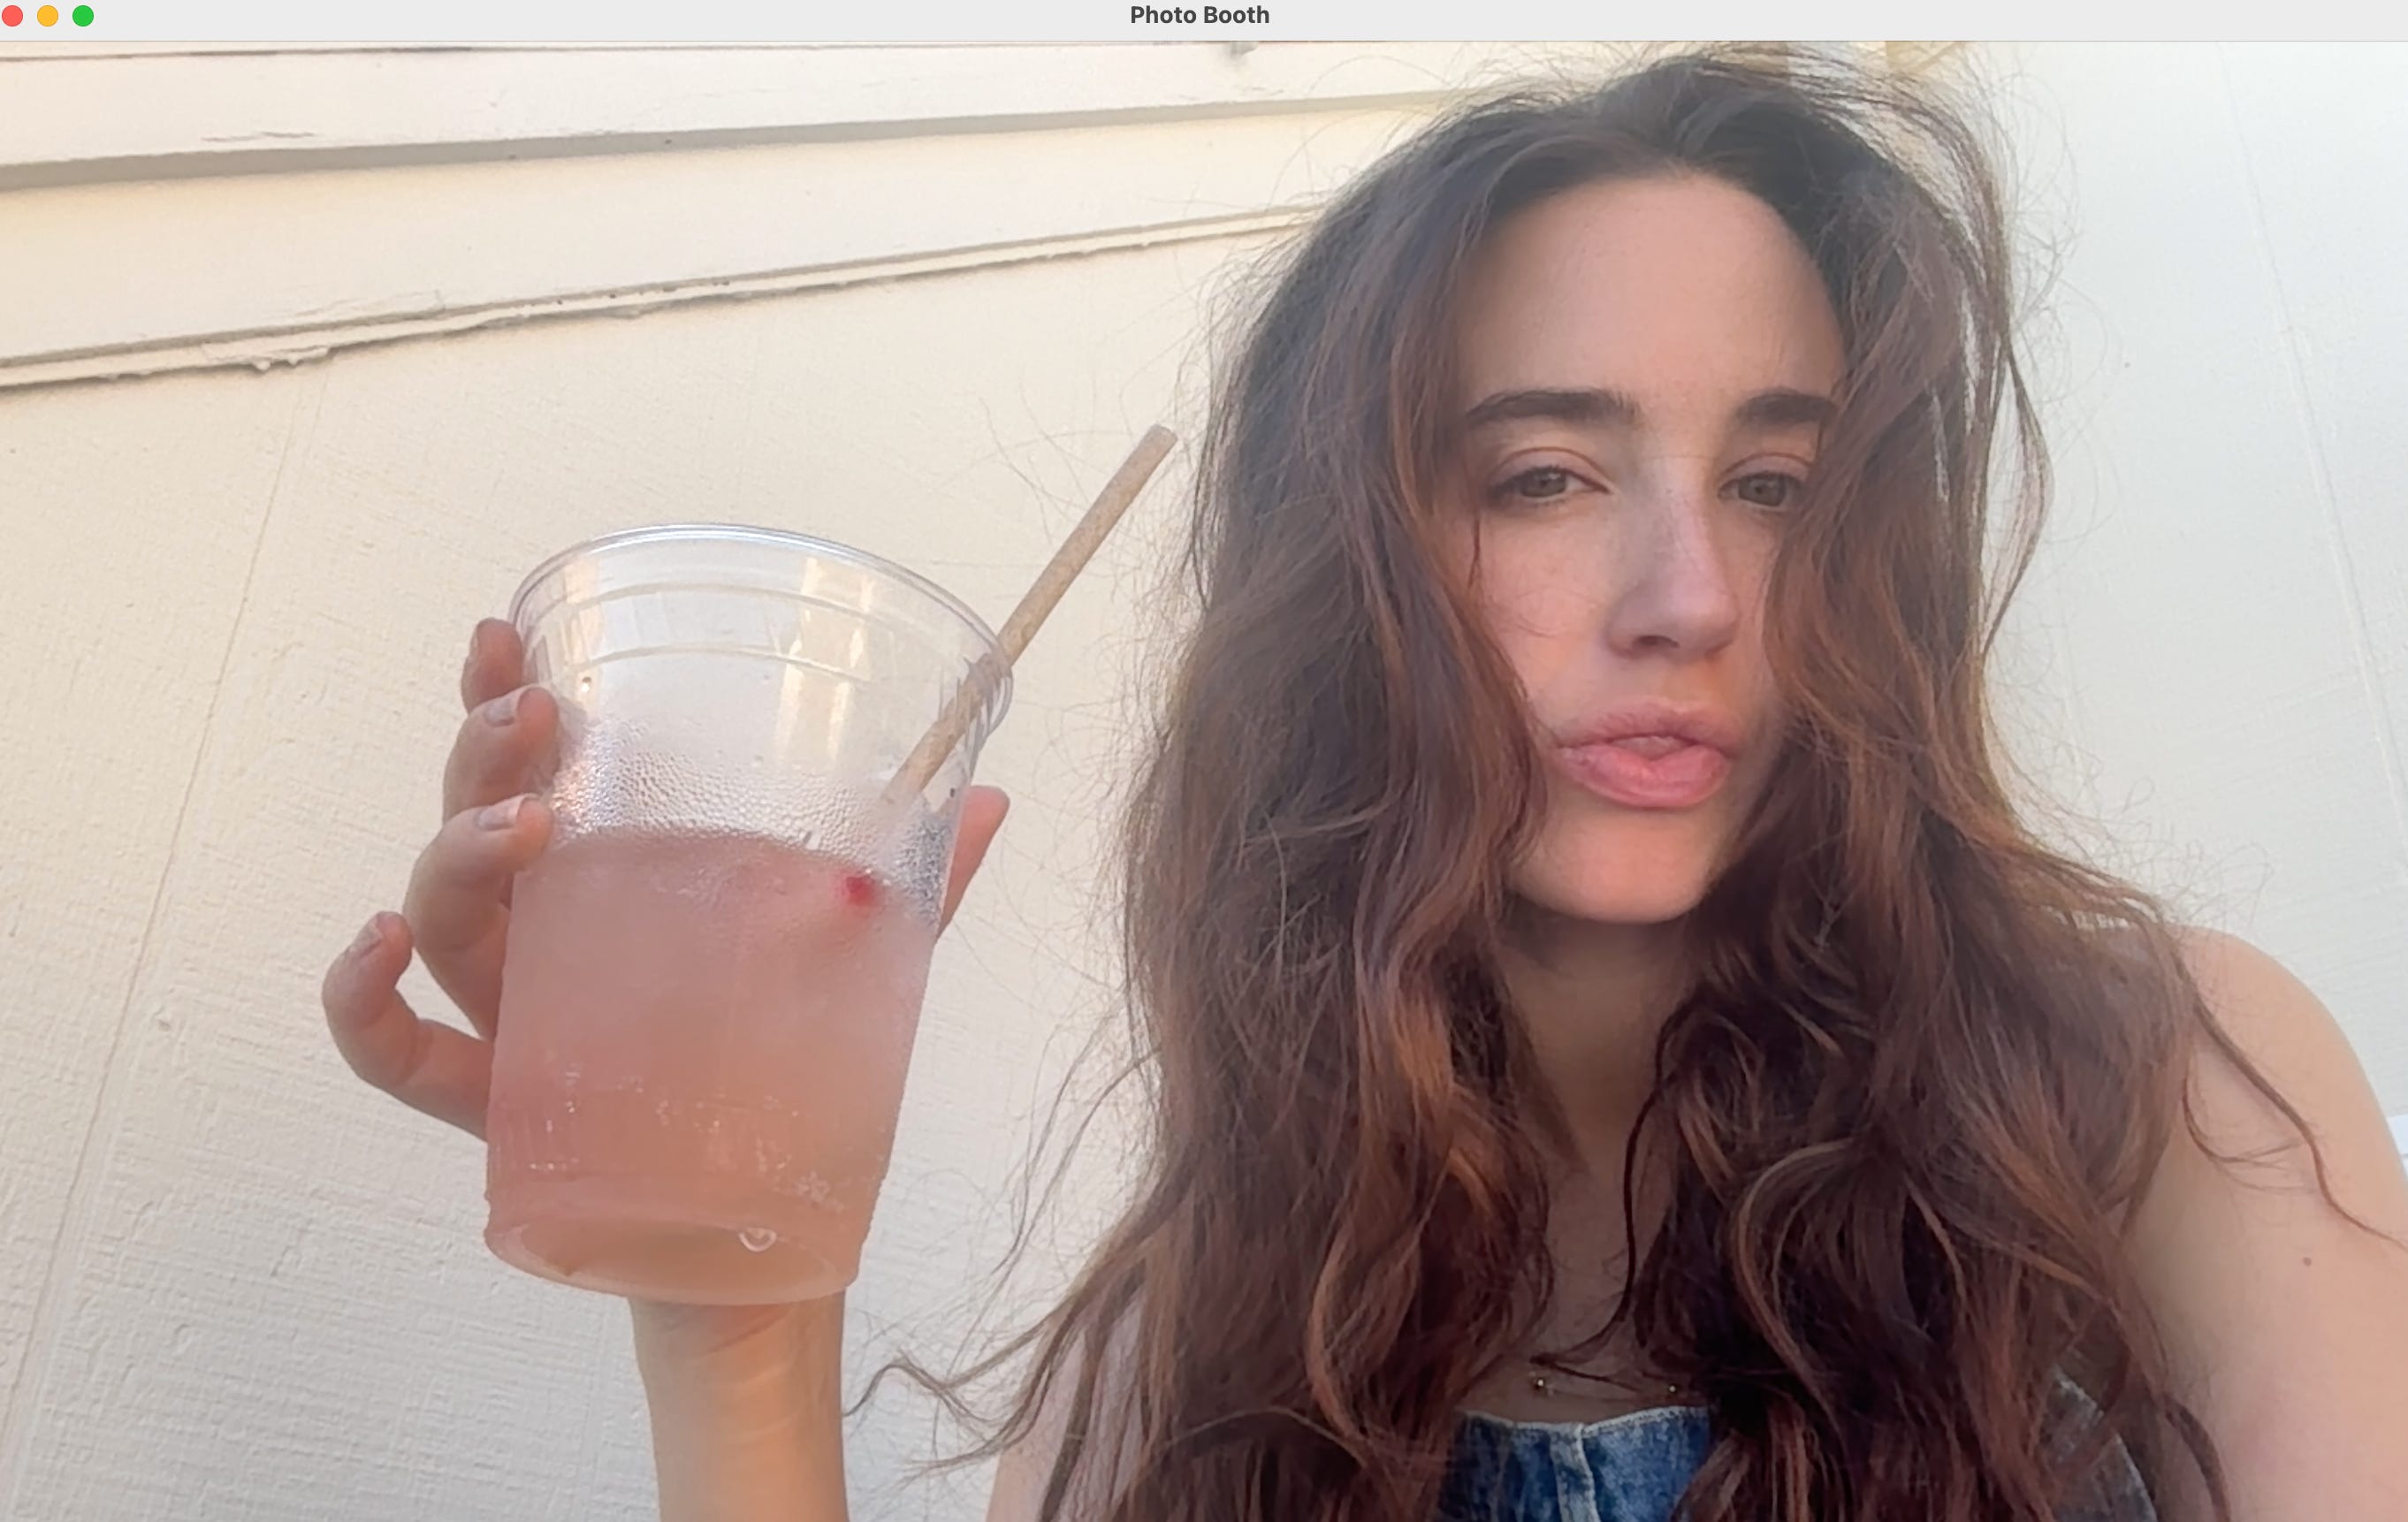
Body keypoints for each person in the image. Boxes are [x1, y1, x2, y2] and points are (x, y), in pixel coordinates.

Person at [320, 42, 2408, 1522]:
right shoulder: (1197, 1341)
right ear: (1353, 572)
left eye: (1778, 483)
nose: (1691, 594)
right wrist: (736, 1301)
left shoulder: (2154, 1092)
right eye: (1545, 476)